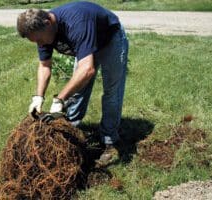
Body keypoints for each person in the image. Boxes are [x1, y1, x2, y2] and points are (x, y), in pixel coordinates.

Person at [17, 1, 129, 164]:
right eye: (36, 42)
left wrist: (59, 99)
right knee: (77, 91)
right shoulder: (43, 31)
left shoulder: (76, 23)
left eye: (40, 40)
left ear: (48, 23)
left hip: (109, 40)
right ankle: (70, 132)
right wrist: (38, 97)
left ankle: (109, 141)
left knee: (112, 92)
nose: (40, 45)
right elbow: (44, 65)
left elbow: (87, 70)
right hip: (86, 46)